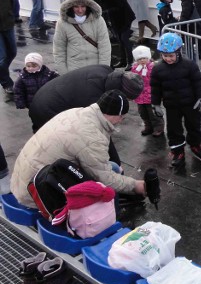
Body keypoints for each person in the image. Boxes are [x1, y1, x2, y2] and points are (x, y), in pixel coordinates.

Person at [11, 89, 148, 209]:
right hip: (35, 195)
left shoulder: (77, 112)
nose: (120, 121)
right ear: (114, 114)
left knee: (111, 167)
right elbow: (105, 178)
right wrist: (136, 186)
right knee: (107, 193)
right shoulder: (92, 136)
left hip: (21, 182)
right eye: (121, 117)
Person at [28, 64, 142, 134]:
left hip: (45, 94)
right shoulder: (94, 98)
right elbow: (95, 131)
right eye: (128, 98)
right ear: (121, 92)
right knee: (61, 144)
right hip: (46, 109)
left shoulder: (106, 70)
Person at [150, 32, 201, 170]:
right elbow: (155, 88)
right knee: (174, 130)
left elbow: (198, 82)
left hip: (191, 104)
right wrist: (155, 103)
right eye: (165, 56)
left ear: (178, 52)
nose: (168, 59)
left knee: (194, 126)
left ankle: (195, 144)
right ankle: (178, 152)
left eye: (171, 56)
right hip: (172, 106)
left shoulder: (189, 65)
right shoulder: (158, 69)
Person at [53, 0, 111, 73]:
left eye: (83, 6)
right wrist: (64, 73)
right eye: (76, 6)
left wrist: (103, 69)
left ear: (88, 6)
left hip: (95, 68)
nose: (80, 10)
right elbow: (59, 50)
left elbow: (104, 46)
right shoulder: (62, 23)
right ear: (70, 7)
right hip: (74, 70)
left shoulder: (98, 20)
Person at [86, 0, 136, 69]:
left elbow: (121, 5)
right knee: (119, 40)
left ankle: (130, 61)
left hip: (125, 17)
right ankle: (123, 61)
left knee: (124, 39)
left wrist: (106, 11)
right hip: (114, 20)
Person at [131, 45, 164, 137]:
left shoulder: (153, 67)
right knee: (143, 113)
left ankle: (159, 128)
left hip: (151, 95)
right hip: (140, 95)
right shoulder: (135, 68)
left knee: (153, 113)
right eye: (139, 59)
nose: (142, 60)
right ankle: (148, 126)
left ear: (148, 57)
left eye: (144, 58)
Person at [0, 0, 17, 96]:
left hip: (7, 24)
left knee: (12, 52)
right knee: (1, 58)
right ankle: (7, 83)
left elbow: (12, 1)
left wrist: (13, 16)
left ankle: (2, 73)